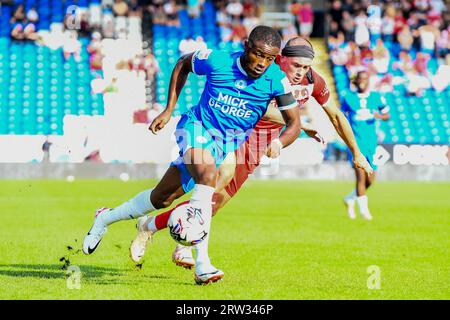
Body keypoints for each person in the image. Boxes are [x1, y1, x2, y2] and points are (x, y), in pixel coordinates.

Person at [82, 26, 301, 284]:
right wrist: (168, 109)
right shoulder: (217, 59)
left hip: (223, 145)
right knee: (208, 177)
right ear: (246, 46)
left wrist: (278, 142)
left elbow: (294, 124)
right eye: (257, 54)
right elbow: (182, 64)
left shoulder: (277, 79)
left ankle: (105, 218)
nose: (262, 63)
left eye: (269, 58)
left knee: (161, 198)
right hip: (196, 128)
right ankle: (202, 265)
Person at [130, 37, 374, 270]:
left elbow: (336, 116)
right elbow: (258, 109)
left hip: (257, 148)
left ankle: (150, 225)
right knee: (206, 190)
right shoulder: (267, 70)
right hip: (232, 135)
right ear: (282, 58)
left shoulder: (313, 81)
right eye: (297, 65)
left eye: (306, 66)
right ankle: (182, 246)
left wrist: (357, 153)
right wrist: (298, 123)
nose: (301, 72)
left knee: (216, 203)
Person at [342, 71, 390, 220]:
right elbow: (341, 117)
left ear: (368, 81)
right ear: (356, 81)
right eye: (360, 79)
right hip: (356, 145)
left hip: (372, 144)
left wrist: (379, 116)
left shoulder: (376, 97)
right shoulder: (348, 98)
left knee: (371, 180)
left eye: (365, 79)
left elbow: (387, 115)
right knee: (361, 178)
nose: (362, 81)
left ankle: (350, 198)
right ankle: (364, 212)